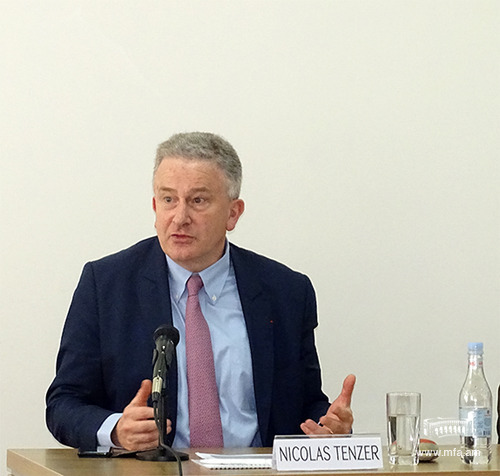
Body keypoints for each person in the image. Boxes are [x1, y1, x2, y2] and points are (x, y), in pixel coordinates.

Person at [46, 132, 355, 452]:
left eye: (198, 201)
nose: (180, 218)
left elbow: (305, 404)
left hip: (255, 471)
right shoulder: (106, 285)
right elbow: (64, 403)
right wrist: (116, 430)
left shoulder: (286, 292)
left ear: (233, 213)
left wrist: (330, 427)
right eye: (168, 199)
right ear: (154, 206)